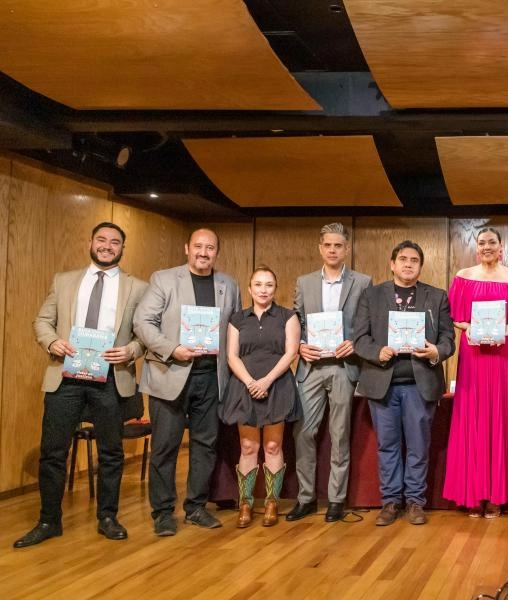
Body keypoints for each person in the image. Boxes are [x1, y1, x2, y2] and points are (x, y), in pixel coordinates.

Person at [14, 223, 148, 548]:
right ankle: (48, 520)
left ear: (122, 248)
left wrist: (131, 350)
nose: (107, 246)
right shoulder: (64, 281)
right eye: (101, 240)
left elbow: (146, 333)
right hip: (65, 377)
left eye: (114, 242)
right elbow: (42, 321)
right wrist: (52, 342)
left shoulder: (138, 287)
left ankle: (107, 517)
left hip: (111, 379)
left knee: (111, 452)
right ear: (90, 242)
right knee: (53, 452)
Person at [134, 228, 241, 536]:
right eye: (198, 246)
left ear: (217, 252)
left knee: (205, 446)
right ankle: (163, 512)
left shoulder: (229, 285)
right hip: (171, 373)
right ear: (187, 248)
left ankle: (196, 507)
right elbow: (143, 322)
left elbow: (236, 328)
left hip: (212, 377)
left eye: (210, 248)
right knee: (165, 447)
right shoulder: (164, 279)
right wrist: (172, 348)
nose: (203, 252)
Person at [353, 240, 455, 526]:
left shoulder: (436, 296)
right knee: (387, 446)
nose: (408, 264)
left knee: (418, 447)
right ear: (392, 264)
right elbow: (359, 338)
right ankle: (390, 502)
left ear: (420, 266)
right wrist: (377, 352)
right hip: (383, 384)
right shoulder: (371, 295)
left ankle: (415, 502)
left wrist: (436, 352)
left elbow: (448, 339)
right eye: (403, 259)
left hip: (419, 385)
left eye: (414, 260)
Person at [444, 227, 508, 517]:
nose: (486, 247)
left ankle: (497, 494)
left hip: (504, 356)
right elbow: (452, 316)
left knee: (502, 415)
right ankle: (473, 493)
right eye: (481, 242)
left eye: (491, 242)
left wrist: (507, 328)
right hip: (473, 355)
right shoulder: (463, 276)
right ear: (476, 247)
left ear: (501, 246)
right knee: (472, 416)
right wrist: (469, 327)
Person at [287, 223, 372, 523]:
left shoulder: (363, 282)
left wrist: (356, 343)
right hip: (311, 366)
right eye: (328, 245)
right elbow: (296, 320)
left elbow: (368, 323)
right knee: (303, 432)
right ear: (320, 248)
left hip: (343, 366)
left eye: (338, 245)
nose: (333, 250)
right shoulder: (304, 282)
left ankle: (336, 499)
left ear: (346, 249)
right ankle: (306, 498)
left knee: (340, 434)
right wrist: (300, 346)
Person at [219, 266, 301, 527]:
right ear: (250, 288)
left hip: (277, 386)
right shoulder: (237, 319)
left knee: (273, 446)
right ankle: (245, 503)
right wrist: (250, 382)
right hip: (244, 387)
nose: (263, 290)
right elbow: (231, 356)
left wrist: (266, 381)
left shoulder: (288, 316)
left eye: (269, 285)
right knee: (248, 447)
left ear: (275, 289)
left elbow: (291, 353)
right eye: (258, 284)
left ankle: (272, 503)